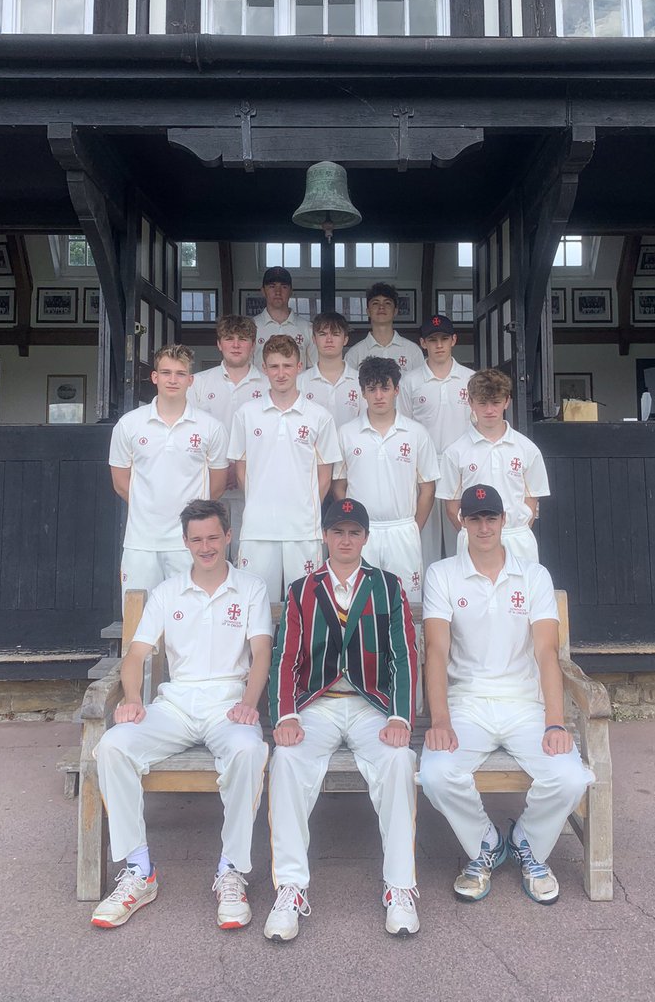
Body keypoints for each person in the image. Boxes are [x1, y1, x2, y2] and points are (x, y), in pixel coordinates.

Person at [91, 500, 272, 930]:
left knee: (250, 752)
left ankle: (231, 870)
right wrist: (133, 698)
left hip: (228, 704)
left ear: (229, 536)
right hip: (174, 704)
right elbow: (135, 655)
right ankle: (139, 871)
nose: (205, 547)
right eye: (196, 539)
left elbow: (262, 653)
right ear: (186, 542)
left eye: (213, 537)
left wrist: (249, 702)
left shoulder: (250, 587)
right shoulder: (168, 591)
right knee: (113, 746)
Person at [418, 485, 592, 906]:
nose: (483, 526)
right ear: (462, 521)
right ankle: (485, 846)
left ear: (504, 520)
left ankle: (527, 843)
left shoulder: (533, 576)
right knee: (437, 775)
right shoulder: (442, 574)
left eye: (490, 518)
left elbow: (547, 653)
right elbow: (437, 652)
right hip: (467, 704)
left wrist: (555, 720)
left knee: (570, 777)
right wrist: (440, 720)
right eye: (474, 518)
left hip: (523, 704)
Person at [264, 498, 419, 941]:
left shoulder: (388, 586)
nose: (346, 539)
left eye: (354, 532)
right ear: (325, 537)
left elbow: (404, 656)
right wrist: (287, 714)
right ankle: (290, 887)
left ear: (366, 538)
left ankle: (400, 887)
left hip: (372, 706)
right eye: (338, 531)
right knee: (287, 761)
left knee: (397, 761)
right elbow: (285, 658)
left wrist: (400, 717)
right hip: (318, 704)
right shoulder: (301, 589)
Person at [109, 344, 229, 598]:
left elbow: (216, 485)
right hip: (141, 543)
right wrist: (148, 507)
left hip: (188, 543)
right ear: (155, 377)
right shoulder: (129, 424)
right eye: (166, 373)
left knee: (189, 620)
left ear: (191, 380)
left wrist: (191, 517)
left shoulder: (211, 427)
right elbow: (120, 481)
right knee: (138, 620)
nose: (173, 380)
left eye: (180, 373)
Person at [229, 334, 341, 603]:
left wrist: (304, 506)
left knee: (308, 604)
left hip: (303, 530)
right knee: (255, 605)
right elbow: (242, 471)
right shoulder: (247, 413)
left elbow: (324, 477)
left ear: (299, 367)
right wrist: (261, 500)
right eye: (274, 366)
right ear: (264, 368)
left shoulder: (319, 416)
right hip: (258, 528)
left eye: (287, 366)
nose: (281, 373)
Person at [333, 357, 439, 610]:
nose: (379, 395)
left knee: (406, 604)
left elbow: (427, 488)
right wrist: (354, 522)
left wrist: (413, 526)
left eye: (385, 388)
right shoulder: (346, 433)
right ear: (362, 393)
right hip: (361, 532)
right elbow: (339, 485)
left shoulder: (416, 433)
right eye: (372, 389)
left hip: (402, 530)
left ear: (397, 390)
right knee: (357, 604)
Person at [437, 368, 549, 562]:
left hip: (517, 539)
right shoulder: (455, 452)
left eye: (496, 402)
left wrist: (511, 529)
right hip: (474, 539)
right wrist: (476, 532)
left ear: (507, 401)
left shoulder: (527, 449)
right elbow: (452, 506)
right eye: (482, 403)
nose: (489, 410)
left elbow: (532, 499)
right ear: (470, 402)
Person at [190, 315, 267, 558]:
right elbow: (191, 432)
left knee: (250, 556)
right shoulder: (199, 383)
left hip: (254, 484)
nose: (236, 345)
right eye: (229, 338)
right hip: (210, 484)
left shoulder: (268, 385)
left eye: (242, 339)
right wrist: (222, 470)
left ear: (253, 345)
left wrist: (239, 467)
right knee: (212, 553)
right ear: (219, 344)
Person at [399, 314, 474, 563]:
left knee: (462, 535)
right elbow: (404, 428)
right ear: (423, 343)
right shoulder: (410, 381)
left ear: (454, 340)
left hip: (462, 467)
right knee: (425, 540)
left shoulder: (470, 379)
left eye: (444, 338)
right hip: (423, 468)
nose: (439, 345)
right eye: (432, 340)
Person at [297, 310, 365, 430]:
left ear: (345, 340)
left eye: (335, 334)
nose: (329, 339)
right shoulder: (300, 382)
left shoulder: (361, 381)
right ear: (314, 339)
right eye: (323, 334)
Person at [345, 282, 425, 374]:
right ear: (368, 311)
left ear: (395, 311)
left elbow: (421, 386)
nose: (381, 307)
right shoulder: (354, 354)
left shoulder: (413, 350)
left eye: (387, 303)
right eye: (375, 303)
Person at [254, 266, 314, 366]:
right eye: (272, 286)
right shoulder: (251, 327)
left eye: (284, 286)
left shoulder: (308, 328)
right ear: (263, 291)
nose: (278, 292)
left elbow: (313, 370)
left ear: (291, 291)